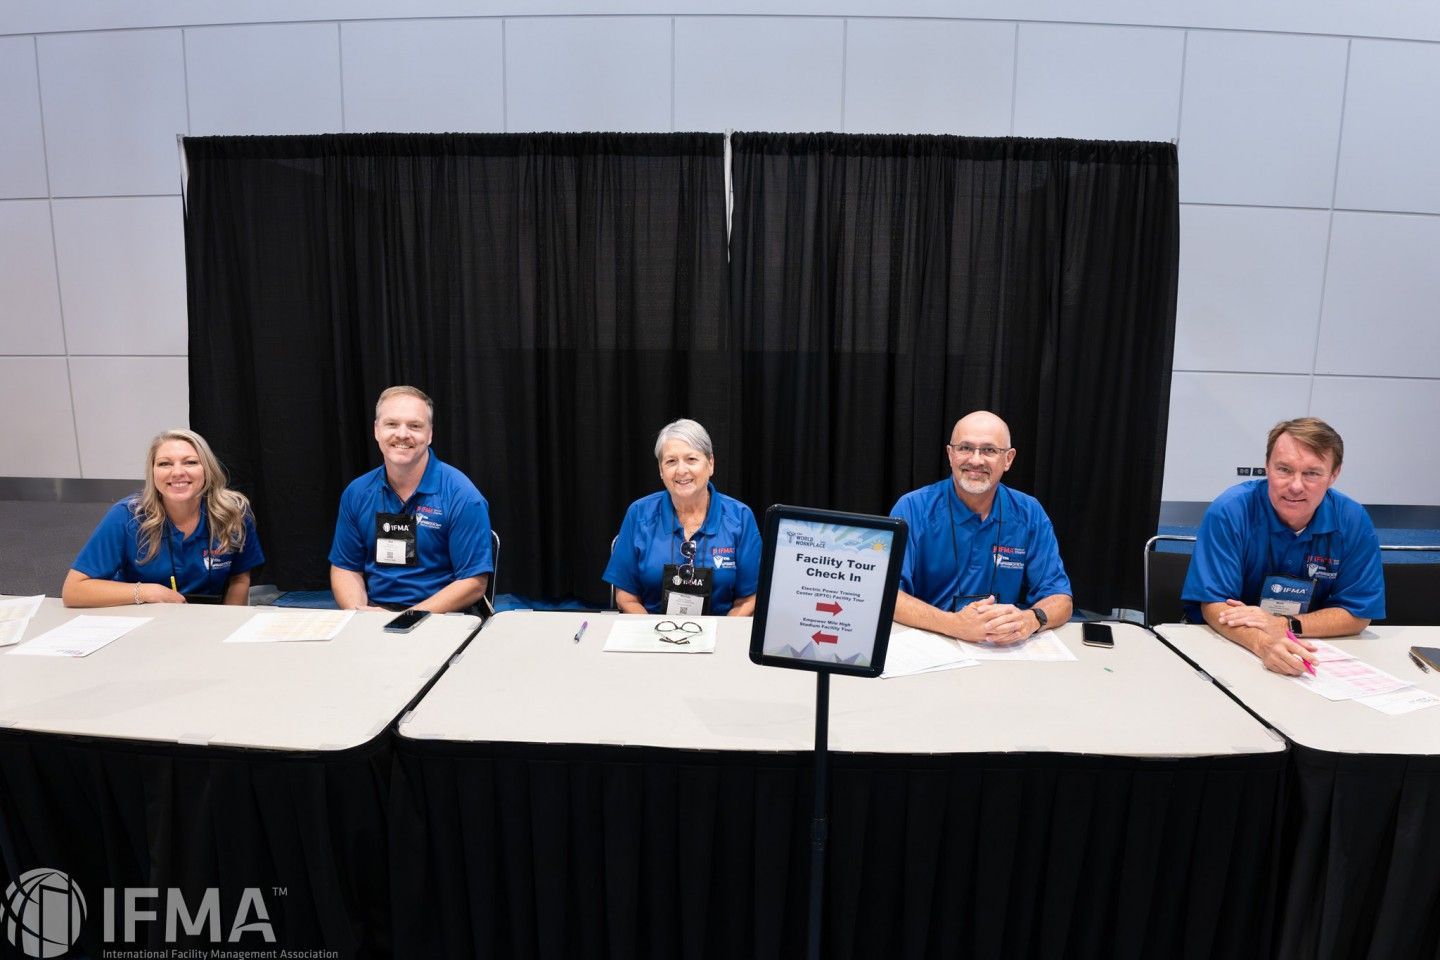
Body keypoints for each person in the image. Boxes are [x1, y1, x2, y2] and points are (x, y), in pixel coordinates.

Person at [1182, 417, 1384, 675]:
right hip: (1222, 645)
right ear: (1267, 467)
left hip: (1305, 652)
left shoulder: (1352, 520)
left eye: (1312, 473)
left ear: (1334, 474)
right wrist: (1264, 643)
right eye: (1284, 470)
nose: (1296, 486)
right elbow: (1214, 606)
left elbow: (1358, 614)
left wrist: (1283, 625)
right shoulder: (1231, 510)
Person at [889, 411, 1073, 644]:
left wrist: (1029, 620)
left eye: (989, 450)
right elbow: (889, 595)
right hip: (930, 642)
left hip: (1002, 647)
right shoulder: (913, 508)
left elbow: (1060, 599)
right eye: (965, 448)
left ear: (1008, 459)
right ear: (950, 454)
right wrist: (954, 625)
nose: (976, 460)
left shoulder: (1029, 513)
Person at [329, 385, 493, 612]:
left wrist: (405, 618)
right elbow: (346, 568)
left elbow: (473, 583)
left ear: (430, 434)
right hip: (374, 615)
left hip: (441, 618)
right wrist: (359, 614)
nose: (402, 434)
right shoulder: (356, 493)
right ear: (376, 430)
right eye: (391, 424)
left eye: (415, 426)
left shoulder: (463, 497)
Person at [63, 429, 264, 607]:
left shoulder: (232, 512)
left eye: (190, 462)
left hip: (208, 624)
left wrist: (225, 627)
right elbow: (73, 591)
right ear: (153, 472)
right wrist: (148, 592)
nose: (177, 472)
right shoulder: (126, 516)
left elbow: (239, 578)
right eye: (165, 464)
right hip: (142, 619)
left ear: (207, 469)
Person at [604, 419, 761, 616]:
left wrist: (722, 635)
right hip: (652, 630)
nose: (681, 470)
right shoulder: (638, 514)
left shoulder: (741, 518)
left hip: (718, 631)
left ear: (710, 464)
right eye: (671, 461)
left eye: (691, 459)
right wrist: (653, 636)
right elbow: (626, 596)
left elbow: (749, 598)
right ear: (661, 471)